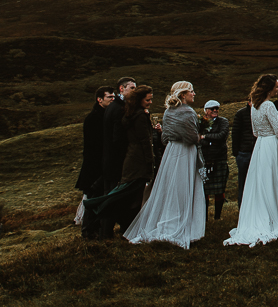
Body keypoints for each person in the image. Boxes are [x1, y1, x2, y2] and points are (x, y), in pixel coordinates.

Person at [125, 81, 207, 248]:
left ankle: (168, 220)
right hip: (185, 153)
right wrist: (201, 136)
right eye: (191, 91)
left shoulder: (168, 112)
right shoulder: (189, 113)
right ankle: (186, 227)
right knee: (185, 188)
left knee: (171, 189)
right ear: (183, 94)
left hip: (171, 153)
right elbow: (192, 138)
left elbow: (164, 138)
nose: (194, 94)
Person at [224, 74, 278, 247]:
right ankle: (275, 220)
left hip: (260, 146)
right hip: (272, 145)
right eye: (277, 86)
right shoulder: (268, 106)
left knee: (261, 182)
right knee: (274, 181)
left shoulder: (255, 106)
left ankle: (262, 215)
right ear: (269, 88)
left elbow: (255, 132)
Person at [85, 84, 153, 239]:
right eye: (148, 99)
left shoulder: (128, 112)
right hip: (134, 163)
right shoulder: (137, 115)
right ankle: (102, 218)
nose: (150, 102)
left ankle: (110, 228)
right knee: (127, 198)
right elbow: (144, 142)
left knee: (122, 196)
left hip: (128, 161)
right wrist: (150, 163)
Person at [76, 86, 114, 204]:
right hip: (95, 165)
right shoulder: (93, 118)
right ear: (100, 99)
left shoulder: (108, 115)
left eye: (113, 96)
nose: (112, 99)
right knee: (94, 197)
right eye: (109, 97)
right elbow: (93, 145)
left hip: (103, 163)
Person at [198, 99, 231, 220]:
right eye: (212, 109)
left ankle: (217, 217)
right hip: (205, 158)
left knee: (219, 189)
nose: (215, 110)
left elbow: (222, 136)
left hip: (219, 158)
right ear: (206, 111)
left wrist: (205, 137)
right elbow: (198, 139)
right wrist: (210, 140)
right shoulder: (200, 122)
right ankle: (204, 218)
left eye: (217, 108)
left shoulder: (223, 121)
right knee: (204, 190)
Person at [231, 99, 255, 204]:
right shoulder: (241, 114)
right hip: (244, 153)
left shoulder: (259, 113)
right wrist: (236, 152)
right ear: (249, 102)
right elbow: (235, 133)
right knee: (243, 181)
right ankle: (242, 206)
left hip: (256, 151)